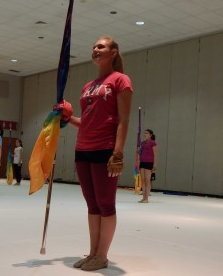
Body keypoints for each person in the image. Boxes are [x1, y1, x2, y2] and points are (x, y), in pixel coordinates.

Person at [65, 36, 133, 271]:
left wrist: (118, 152)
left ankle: (102, 256)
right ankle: (93, 252)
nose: (95, 49)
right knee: (92, 205)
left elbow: (124, 119)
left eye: (101, 46)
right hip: (82, 149)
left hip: (105, 149)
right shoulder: (88, 86)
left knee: (105, 204)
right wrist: (66, 117)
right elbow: (87, 121)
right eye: (94, 46)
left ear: (113, 52)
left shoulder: (120, 80)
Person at [139, 129, 157, 203]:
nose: (145, 134)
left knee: (147, 180)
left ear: (150, 135)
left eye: (146, 133)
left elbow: (155, 155)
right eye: (144, 133)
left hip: (149, 163)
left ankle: (146, 198)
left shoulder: (153, 143)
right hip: (142, 162)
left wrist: (154, 165)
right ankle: (143, 198)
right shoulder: (142, 143)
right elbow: (140, 153)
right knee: (143, 180)